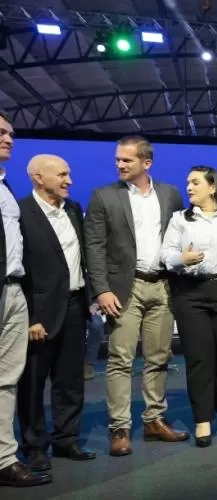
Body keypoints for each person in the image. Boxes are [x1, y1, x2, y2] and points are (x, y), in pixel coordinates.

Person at [84, 135, 188, 456]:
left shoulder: (170, 194)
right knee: (120, 360)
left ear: (147, 163)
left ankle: (155, 420)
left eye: (126, 160)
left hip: (163, 285)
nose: (119, 164)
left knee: (158, 358)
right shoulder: (103, 196)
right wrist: (100, 289)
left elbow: (179, 238)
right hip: (123, 289)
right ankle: (120, 427)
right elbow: (94, 247)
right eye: (117, 159)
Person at [16, 155, 97, 473]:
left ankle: (66, 439)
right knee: (33, 384)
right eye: (62, 175)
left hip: (75, 307)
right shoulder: (20, 213)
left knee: (70, 380)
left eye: (70, 174)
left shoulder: (74, 209)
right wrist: (29, 316)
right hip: (39, 314)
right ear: (38, 177)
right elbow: (18, 268)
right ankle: (34, 446)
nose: (70, 181)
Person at [161, 166, 217, 447]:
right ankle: (202, 419)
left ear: (213, 187)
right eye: (187, 182)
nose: (188, 187)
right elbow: (166, 255)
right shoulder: (179, 220)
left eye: (195, 182)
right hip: (191, 292)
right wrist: (181, 260)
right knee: (199, 359)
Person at [0, 111, 51, 488]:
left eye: (10, 133)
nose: (8, 138)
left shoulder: (4, 188)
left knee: (6, 381)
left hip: (13, 291)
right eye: (1, 132)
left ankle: (4, 458)